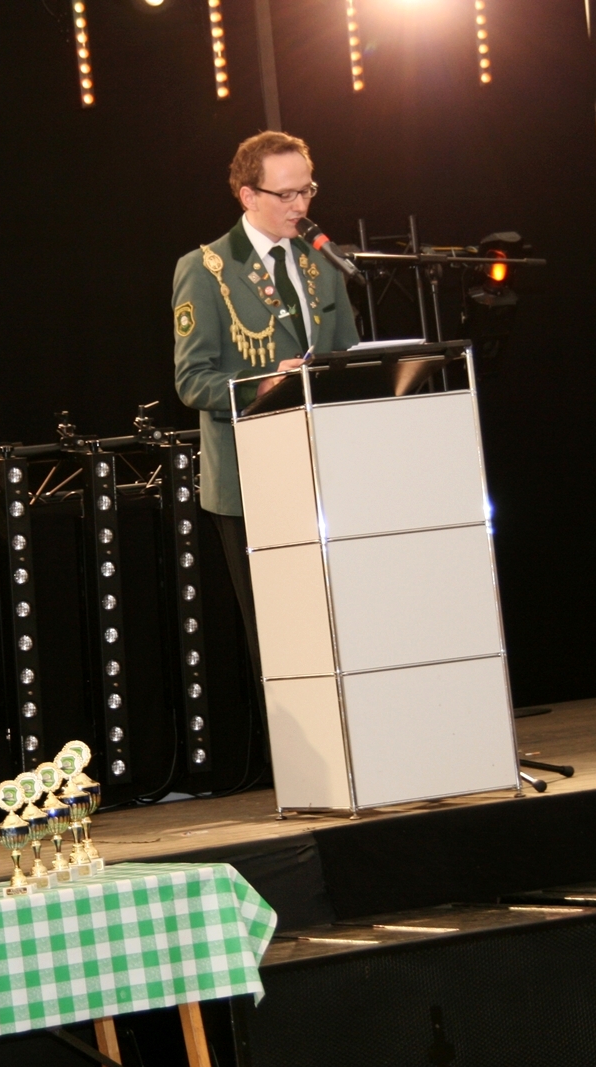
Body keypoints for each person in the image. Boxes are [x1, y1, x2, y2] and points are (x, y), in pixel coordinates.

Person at [171, 131, 359, 708]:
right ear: (247, 196)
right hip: (252, 481)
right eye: (287, 195)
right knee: (280, 638)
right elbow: (192, 380)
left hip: (326, 472)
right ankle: (297, 753)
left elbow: (348, 359)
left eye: (307, 190)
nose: (301, 206)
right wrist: (261, 385)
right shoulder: (205, 268)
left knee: (342, 624)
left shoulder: (321, 262)